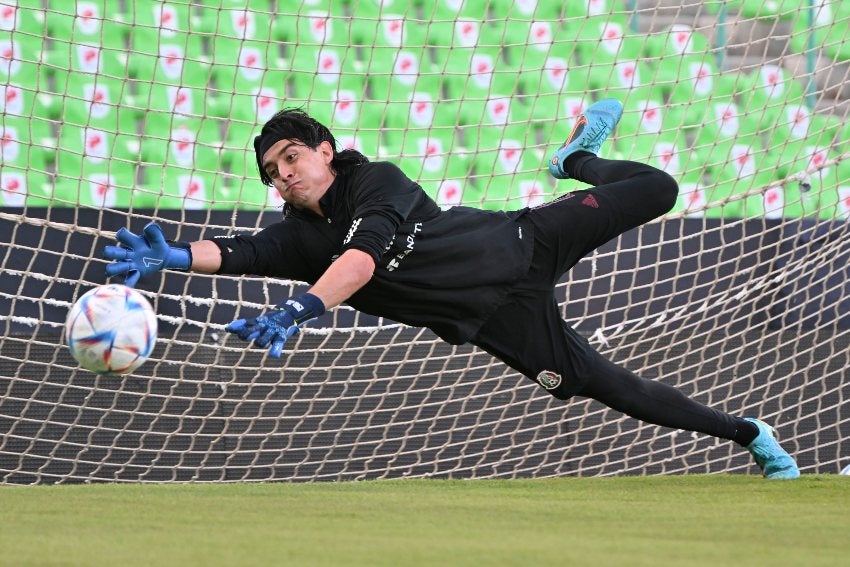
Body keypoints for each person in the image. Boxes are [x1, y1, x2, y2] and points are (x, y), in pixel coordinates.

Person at [103, 99, 800, 479]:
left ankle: (574, 158)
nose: (283, 174)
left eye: (291, 156)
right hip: (497, 319)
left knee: (660, 187)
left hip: (525, 240)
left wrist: (303, 305)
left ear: (324, 150)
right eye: (271, 170)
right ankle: (751, 435)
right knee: (607, 386)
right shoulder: (298, 237)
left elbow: (362, 262)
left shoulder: (376, 181)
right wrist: (172, 255)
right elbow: (239, 251)